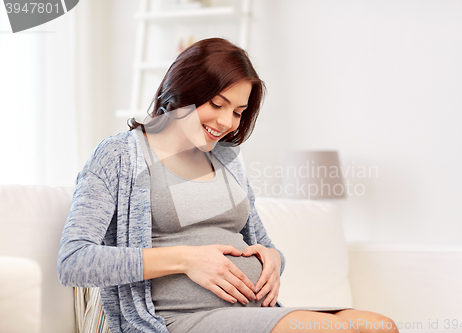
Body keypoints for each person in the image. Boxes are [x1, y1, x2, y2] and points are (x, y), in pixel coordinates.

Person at [57, 38, 398, 333]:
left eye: (237, 111)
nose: (225, 122)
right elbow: (74, 262)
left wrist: (273, 260)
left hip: (252, 312)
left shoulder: (226, 158)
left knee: (381, 325)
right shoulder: (119, 155)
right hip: (180, 319)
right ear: (182, 90)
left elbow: (264, 246)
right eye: (217, 104)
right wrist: (186, 260)